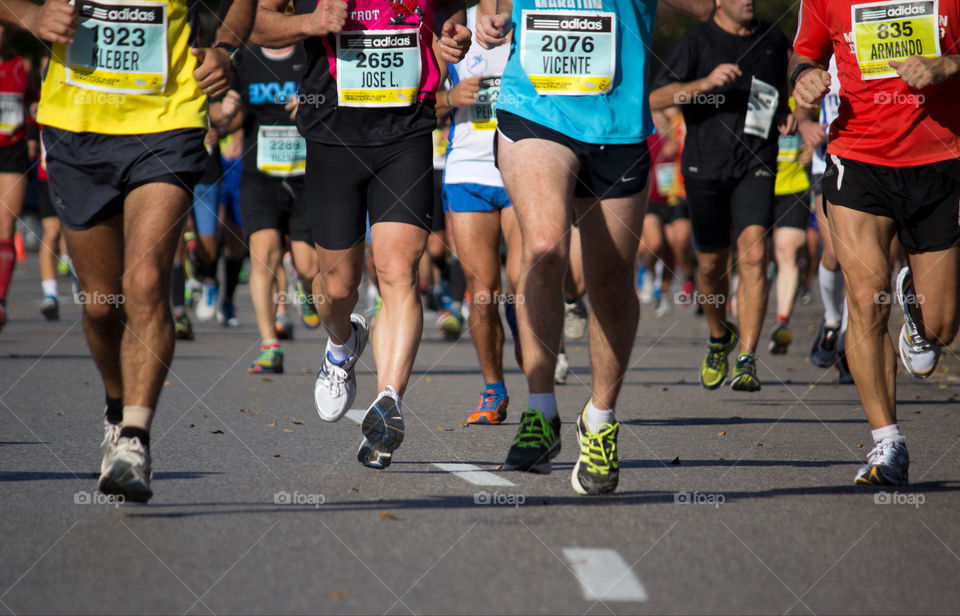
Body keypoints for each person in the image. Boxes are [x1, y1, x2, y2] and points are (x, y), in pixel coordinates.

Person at [5, 0, 256, 502]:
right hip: (76, 129)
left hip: (169, 122)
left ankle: (135, 440)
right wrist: (31, 17)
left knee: (144, 283)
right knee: (101, 304)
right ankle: (117, 409)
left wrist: (227, 49)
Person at [477, 0, 714, 495]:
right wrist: (488, 15)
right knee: (543, 246)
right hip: (535, 107)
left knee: (610, 280)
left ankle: (601, 419)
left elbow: (705, 7)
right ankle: (541, 411)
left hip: (617, 121)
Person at [252, 0, 471, 469]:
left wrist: (450, 34)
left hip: (406, 130)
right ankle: (341, 344)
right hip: (333, 135)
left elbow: (449, 15)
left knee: (398, 270)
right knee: (337, 287)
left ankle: (386, 404)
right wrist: (311, 23)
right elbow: (253, 22)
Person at [792, 0, 960, 486]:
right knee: (865, 299)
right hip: (858, 157)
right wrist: (803, 78)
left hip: (940, 157)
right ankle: (887, 443)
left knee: (943, 328)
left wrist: (947, 64)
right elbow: (805, 54)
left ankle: (918, 315)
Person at [650, 0, 793, 392]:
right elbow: (657, 98)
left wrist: (786, 110)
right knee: (712, 266)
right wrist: (704, 85)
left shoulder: (772, 37)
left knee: (756, 254)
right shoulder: (697, 41)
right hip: (704, 165)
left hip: (756, 160)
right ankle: (719, 337)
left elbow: (782, 83)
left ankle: (747, 357)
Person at [436, 0, 520, 424]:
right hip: (468, 169)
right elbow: (414, 99)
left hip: (525, 165)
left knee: (524, 284)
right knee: (483, 293)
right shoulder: (452, 24)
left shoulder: (532, 18)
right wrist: (450, 96)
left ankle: (528, 333)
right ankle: (494, 389)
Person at [215, 42, 319, 374]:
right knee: (264, 255)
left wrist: (310, 103)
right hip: (259, 175)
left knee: (309, 265)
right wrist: (224, 112)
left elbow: (335, 101)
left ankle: (307, 290)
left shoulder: (311, 52)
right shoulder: (244, 59)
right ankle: (269, 345)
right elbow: (219, 116)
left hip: (306, 175)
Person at [768, 96, 813, 354]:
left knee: (788, 252)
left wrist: (817, 145)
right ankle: (744, 333)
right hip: (756, 184)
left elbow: (833, 122)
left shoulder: (806, 96)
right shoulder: (755, 92)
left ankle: (780, 323)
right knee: (753, 258)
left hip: (793, 186)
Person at [0, 27, 34, 331]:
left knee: (6, 225)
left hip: (12, 152)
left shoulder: (22, 66)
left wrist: (34, 134)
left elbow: (35, 103)